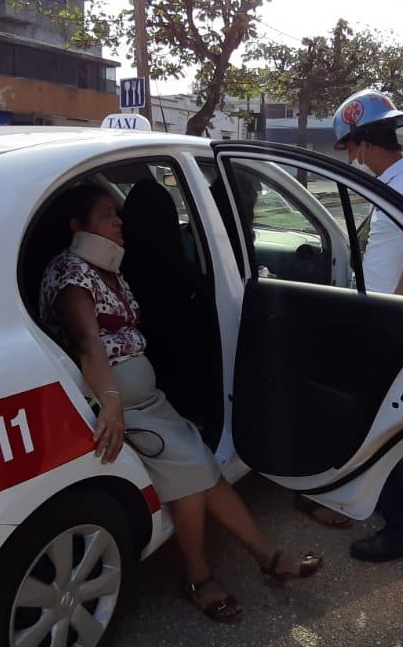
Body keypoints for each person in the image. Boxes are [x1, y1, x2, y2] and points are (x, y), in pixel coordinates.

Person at [40, 184, 322, 623]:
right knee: (194, 473)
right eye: (106, 215)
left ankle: (266, 556)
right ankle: (201, 576)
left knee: (202, 470)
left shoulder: (110, 270)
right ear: (77, 226)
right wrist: (112, 403)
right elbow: (85, 342)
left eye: (119, 214)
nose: (118, 222)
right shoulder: (70, 273)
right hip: (118, 405)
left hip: (146, 401)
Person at [307, 89, 403, 561]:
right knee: (379, 421)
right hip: (384, 319)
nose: (352, 158)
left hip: (399, 323)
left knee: (396, 427)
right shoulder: (394, 181)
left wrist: (394, 323)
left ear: (363, 142)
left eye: (350, 148)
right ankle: (373, 505)